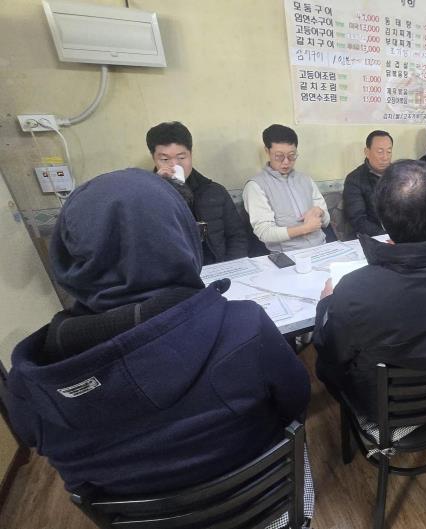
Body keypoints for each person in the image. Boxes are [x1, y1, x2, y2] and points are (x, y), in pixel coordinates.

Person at [6, 169, 311, 510]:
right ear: (180, 237)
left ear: (67, 253)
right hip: (266, 503)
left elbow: (33, 438)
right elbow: (296, 399)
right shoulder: (245, 327)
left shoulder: (30, 380)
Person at [313, 160, 426, 418]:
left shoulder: (355, 290)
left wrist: (326, 302)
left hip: (382, 409)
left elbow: (330, 351)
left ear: (383, 222)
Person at [146, 121, 249, 265]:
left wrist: (230, 268)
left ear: (191, 154)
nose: (174, 165)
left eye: (181, 158)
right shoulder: (145, 198)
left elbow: (237, 236)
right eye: (165, 159)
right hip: (174, 274)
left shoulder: (215, 192)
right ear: (154, 158)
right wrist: (156, 189)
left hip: (217, 268)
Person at [244, 124, 330, 252]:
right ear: (267, 151)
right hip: (288, 254)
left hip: (322, 247)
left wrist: (320, 213)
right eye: (279, 156)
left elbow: (326, 221)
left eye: (291, 155)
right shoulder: (256, 186)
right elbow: (264, 232)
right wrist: (304, 229)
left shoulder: (305, 180)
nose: (286, 162)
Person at [342, 130, 393, 237]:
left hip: (402, 234)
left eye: (389, 151)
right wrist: (385, 236)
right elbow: (358, 219)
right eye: (380, 152)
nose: (385, 157)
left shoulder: (399, 174)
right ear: (367, 152)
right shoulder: (354, 179)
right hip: (374, 237)